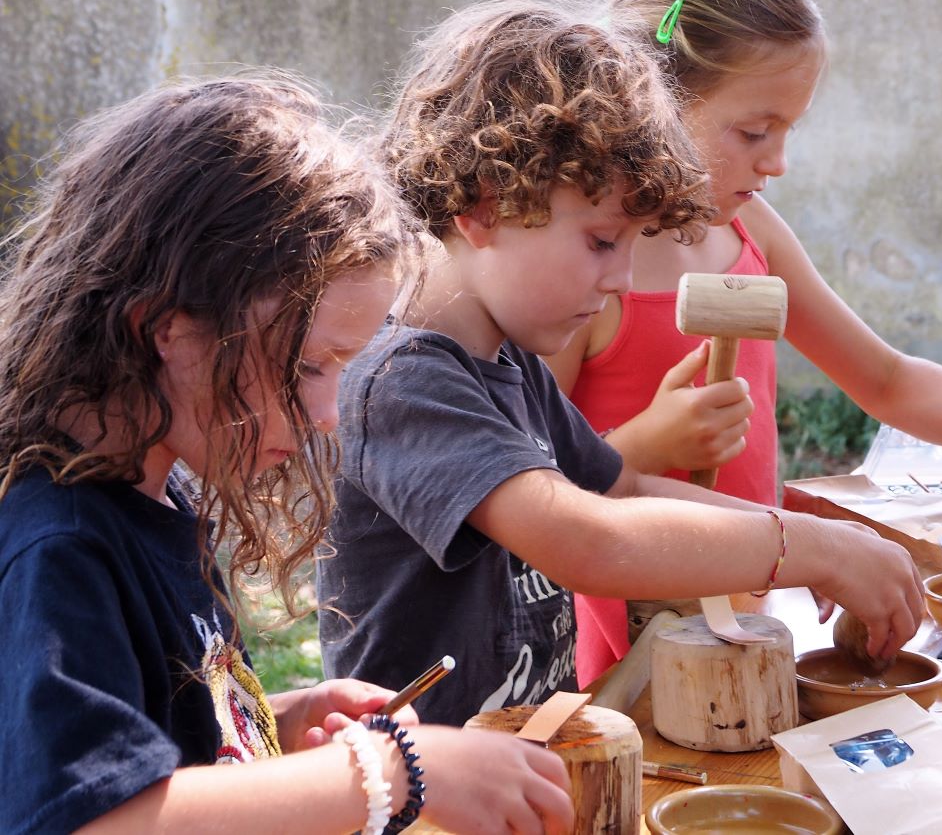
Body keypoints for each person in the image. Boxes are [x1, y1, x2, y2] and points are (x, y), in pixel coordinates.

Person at [317, 0, 925, 728]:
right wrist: (810, 550)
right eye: (604, 241)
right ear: (484, 207)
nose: (623, 280)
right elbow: (588, 542)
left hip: (530, 763)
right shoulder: (402, 382)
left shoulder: (509, 362)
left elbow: (624, 489)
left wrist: (823, 541)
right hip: (430, 792)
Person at [0, 74, 573, 835]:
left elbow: (132, 742)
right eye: (308, 366)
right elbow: (91, 816)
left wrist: (273, 722)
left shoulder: (154, 490)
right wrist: (380, 774)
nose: (329, 414)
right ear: (167, 329)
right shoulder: (58, 548)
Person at [543, 0, 942, 685]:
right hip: (637, 642)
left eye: (787, 132)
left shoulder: (751, 236)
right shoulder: (592, 267)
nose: (778, 161)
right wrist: (644, 441)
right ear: (651, 96)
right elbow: (538, 484)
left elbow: (888, 380)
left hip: (754, 619)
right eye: (753, 131)